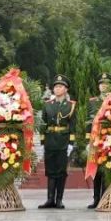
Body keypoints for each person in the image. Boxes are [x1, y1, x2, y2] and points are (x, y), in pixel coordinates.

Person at [38, 74, 76, 209]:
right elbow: (43, 125)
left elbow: (72, 126)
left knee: (61, 171)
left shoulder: (71, 105)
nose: (57, 89)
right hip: (50, 140)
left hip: (63, 140)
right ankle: (50, 199)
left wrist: (71, 144)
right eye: (55, 86)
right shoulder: (47, 104)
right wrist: (42, 143)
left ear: (66, 89)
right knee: (50, 170)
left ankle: (59, 199)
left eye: (60, 86)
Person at [85, 73, 111, 209]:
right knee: (96, 170)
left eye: (107, 84)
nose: (104, 86)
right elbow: (88, 121)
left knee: (107, 169)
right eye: (102, 84)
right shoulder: (93, 101)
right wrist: (87, 140)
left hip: (109, 138)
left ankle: (104, 198)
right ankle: (96, 199)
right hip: (95, 139)